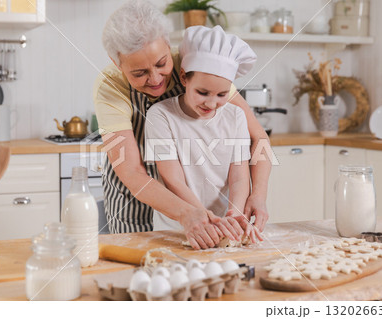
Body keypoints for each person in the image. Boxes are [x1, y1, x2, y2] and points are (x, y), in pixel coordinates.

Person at [93, 0, 271, 249]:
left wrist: (257, 195)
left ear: (170, 46)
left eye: (161, 64)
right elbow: (132, 171)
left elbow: (258, 138)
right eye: (139, 73)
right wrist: (188, 213)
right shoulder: (110, 87)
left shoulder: (201, 68)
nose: (155, 79)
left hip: (200, 202)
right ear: (117, 64)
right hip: (131, 199)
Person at [144, 25, 259, 243]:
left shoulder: (235, 116)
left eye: (222, 94)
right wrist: (203, 217)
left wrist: (233, 214)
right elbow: (173, 179)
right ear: (184, 78)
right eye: (202, 92)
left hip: (224, 226)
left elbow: (239, 176)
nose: (211, 103)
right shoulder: (161, 115)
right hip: (176, 229)